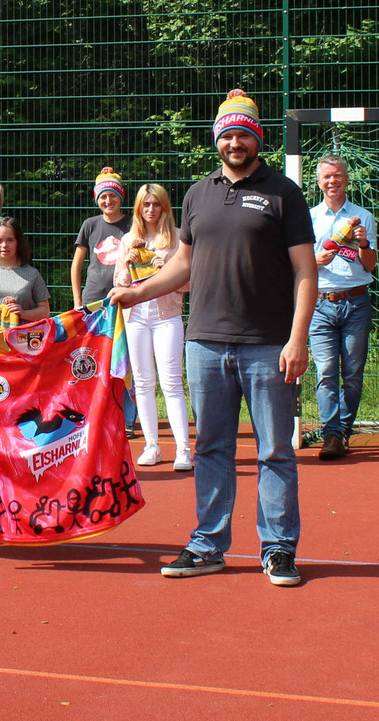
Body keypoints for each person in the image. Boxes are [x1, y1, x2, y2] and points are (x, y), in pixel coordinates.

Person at [109, 89, 317, 586]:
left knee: (274, 452)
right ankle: (208, 545)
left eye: (244, 134)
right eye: (228, 134)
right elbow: (183, 263)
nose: (236, 142)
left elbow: (306, 271)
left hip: (269, 345)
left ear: (257, 138)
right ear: (218, 140)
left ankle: (279, 549)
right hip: (204, 342)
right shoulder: (197, 194)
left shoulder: (283, 192)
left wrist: (298, 338)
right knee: (212, 450)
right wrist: (136, 293)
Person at [306, 155, 378, 461]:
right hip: (320, 303)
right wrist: (314, 261)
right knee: (325, 371)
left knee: (351, 373)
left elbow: (372, 265)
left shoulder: (363, 217)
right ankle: (332, 434)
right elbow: (295, 264)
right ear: (319, 182)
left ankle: (343, 429)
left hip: (356, 301)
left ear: (346, 179)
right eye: (326, 177)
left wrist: (364, 245)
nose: (332, 181)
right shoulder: (308, 218)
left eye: (337, 176)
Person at [120, 182, 190, 471]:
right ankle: (152, 446)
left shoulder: (177, 239)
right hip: (135, 318)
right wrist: (125, 265)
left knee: (171, 383)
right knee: (143, 382)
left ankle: (183, 450)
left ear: (165, 207)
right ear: (138, 208)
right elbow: (119, 286)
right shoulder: (128, 240)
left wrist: (166, 268)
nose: (150, 210)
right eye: (145, 204)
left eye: (156, 204)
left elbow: (189, 283)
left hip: (167, 317)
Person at [70, 167, 131, 311]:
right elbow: (76, 266)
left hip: (124, 297)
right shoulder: (90, 224)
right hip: (92, 299)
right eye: (103, 196)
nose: (108, 201)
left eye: (113, 195)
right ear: (97, 199)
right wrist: (77, 302)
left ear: (121, 197)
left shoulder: (133, 224)